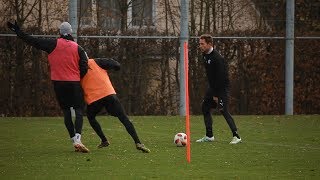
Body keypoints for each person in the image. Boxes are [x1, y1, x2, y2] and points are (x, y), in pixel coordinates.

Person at [7, 21, 90, 152]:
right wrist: (78, 77)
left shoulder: (52, 44)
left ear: (60, 33)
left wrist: (18, 31)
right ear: (71, 32)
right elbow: (85, 66)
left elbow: (34, 41)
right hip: (74, 82)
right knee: (79, 110)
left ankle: (74, 140)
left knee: (66, 111)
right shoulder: (78, 48)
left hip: (58, 83)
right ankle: (78, 138)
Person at [81, 58, 150, 153]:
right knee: (123, 118)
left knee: (91, 117)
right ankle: (138, 143)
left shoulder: (75, 68)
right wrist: (116, 68)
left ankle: (104, 140)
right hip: (109, 93)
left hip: (94, 98)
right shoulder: (95, 61)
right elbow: (116, 64)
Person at [196, 34, 242, 144]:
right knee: (205, 107)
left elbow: (221, 78)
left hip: (221, 88)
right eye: (200, 44)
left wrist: (216, 95)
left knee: (223, 110)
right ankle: (209, 136)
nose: (200, 46)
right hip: (213, 87)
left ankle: (236, 136)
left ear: (209, 44)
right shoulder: (205, 55)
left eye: (202, 44)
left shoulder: (217, 58)